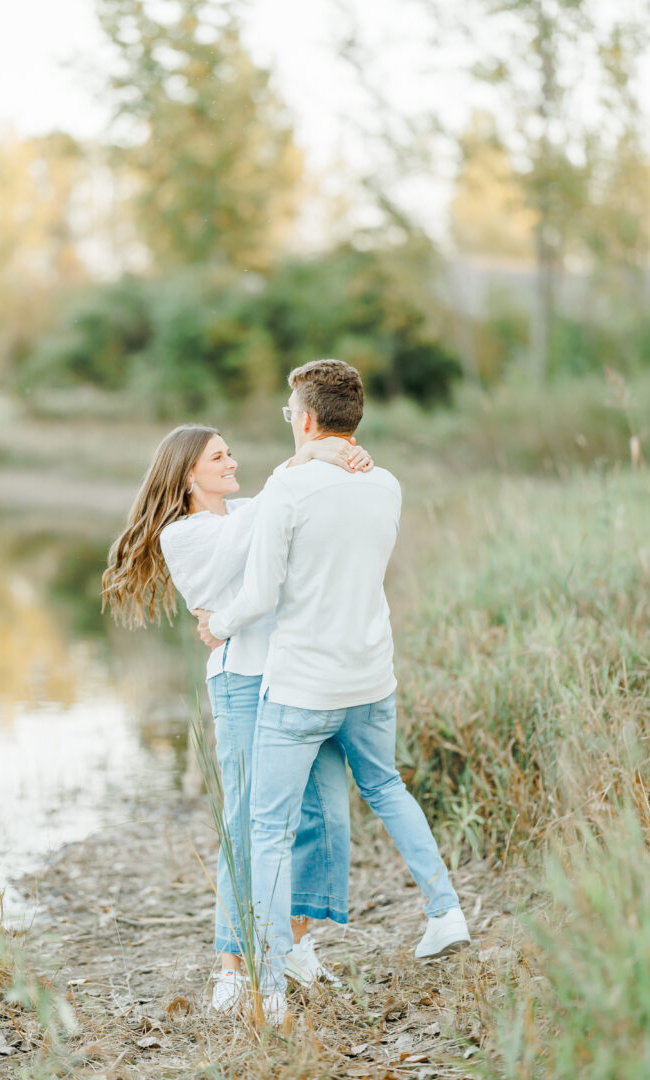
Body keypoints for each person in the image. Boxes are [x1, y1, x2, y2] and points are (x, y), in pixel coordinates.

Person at [195, 359, 470, 1025]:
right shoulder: (386, 485)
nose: (290, 425)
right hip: (371, 680)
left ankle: (270, 989)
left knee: (267, 828)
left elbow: (259, 595)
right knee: (386, 787)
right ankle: (446, 912)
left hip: (303, 689)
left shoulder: (289, 488)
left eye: (291, 414)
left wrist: (217, 624)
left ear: (308, 419)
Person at [102, 423, 372, 1014]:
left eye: (229, 453)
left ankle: (297, 942)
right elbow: (240, 550)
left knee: (321, 812)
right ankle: (230, 963)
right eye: (218, 456)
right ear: (188, 473)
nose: (231, 461)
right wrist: (299, 459)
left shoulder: (255, 506)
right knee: (248, 818)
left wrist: (340, 460)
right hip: (242, 682)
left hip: (300, 676)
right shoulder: (185, 534)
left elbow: (301, 518)